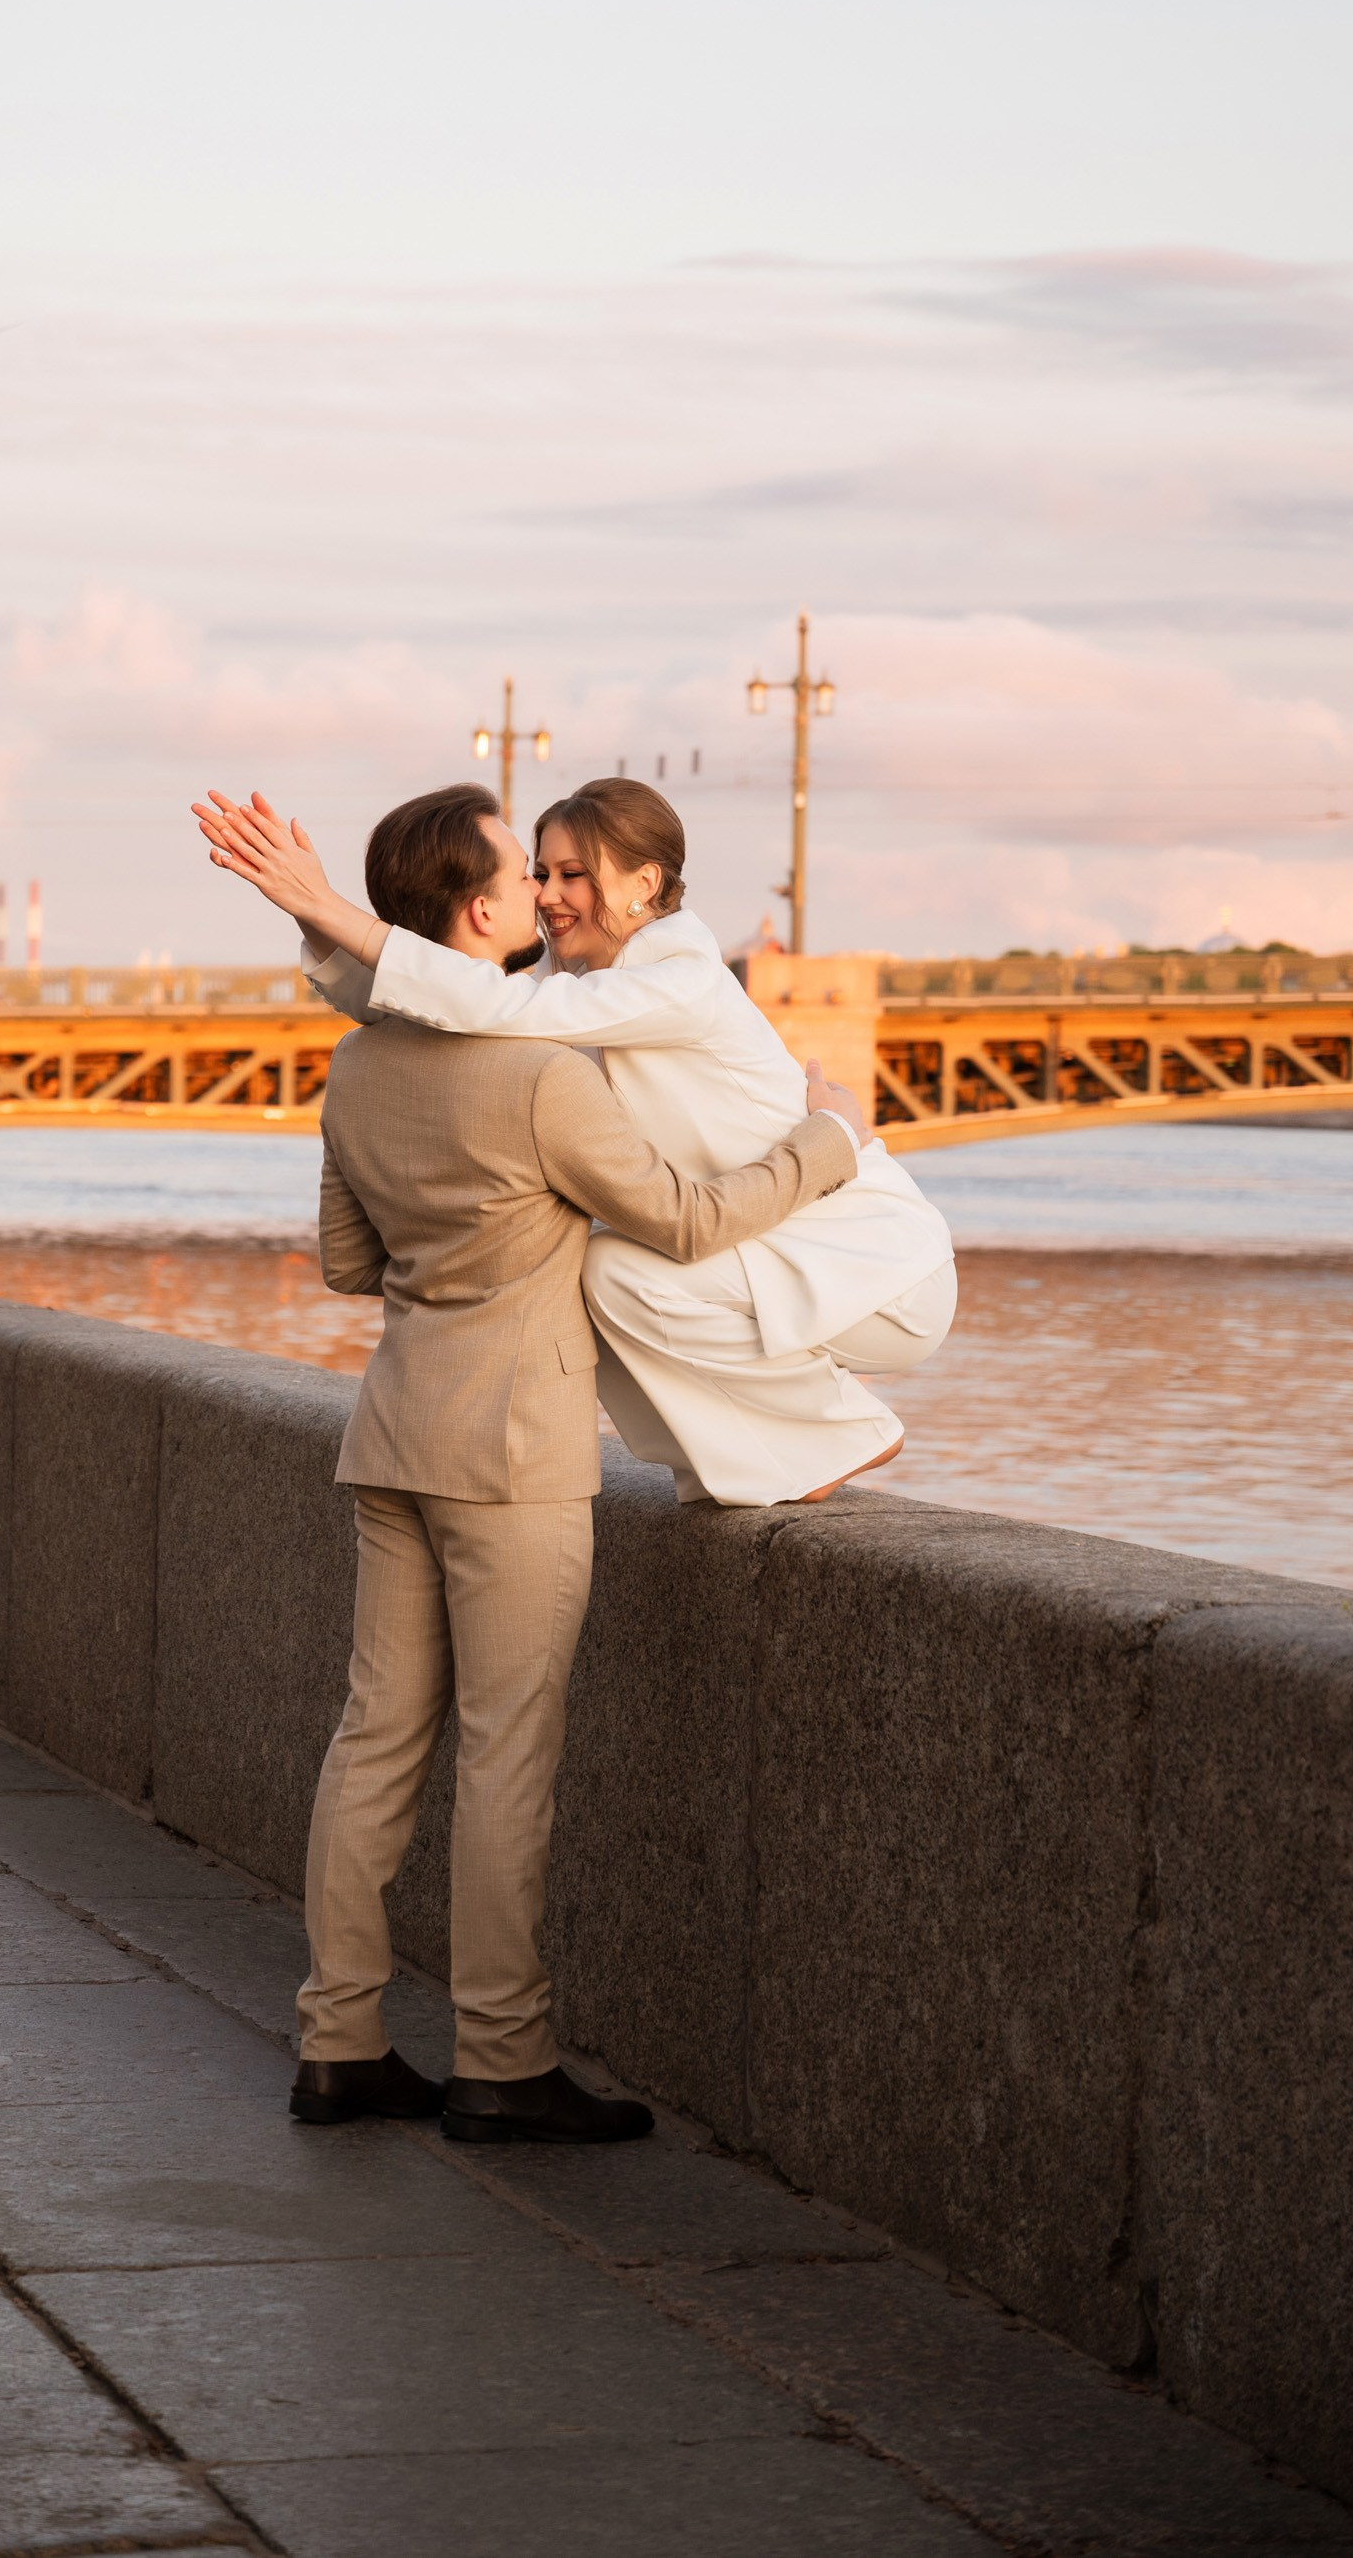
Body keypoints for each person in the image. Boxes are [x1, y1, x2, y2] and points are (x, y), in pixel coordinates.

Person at [260, 783, 866, 2143]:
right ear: (478, 910)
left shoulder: (356, 1066)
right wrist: (831, 1138)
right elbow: (693, 1222)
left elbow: (349, 1266)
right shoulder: (549, 1076)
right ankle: (501, 2063)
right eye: (521, 881)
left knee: (373, 1744)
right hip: (516, 1453)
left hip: (395, 1435)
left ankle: (339, 2041)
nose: (545, 897)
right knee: (506, 1757)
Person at [197, 776, 955, 1509]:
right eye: (540, 872)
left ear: (641, 882)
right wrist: (309, 918)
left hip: (877, 1270)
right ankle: (767, 1457)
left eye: (572, 875)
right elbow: (429, 1009)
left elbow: (488, 1004)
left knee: (611, 1267)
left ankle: (837, 1435)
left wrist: (329, 906)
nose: (550, 893)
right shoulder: (578, 989)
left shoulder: (679, 979)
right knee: (602, 1270)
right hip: (782, 1263)